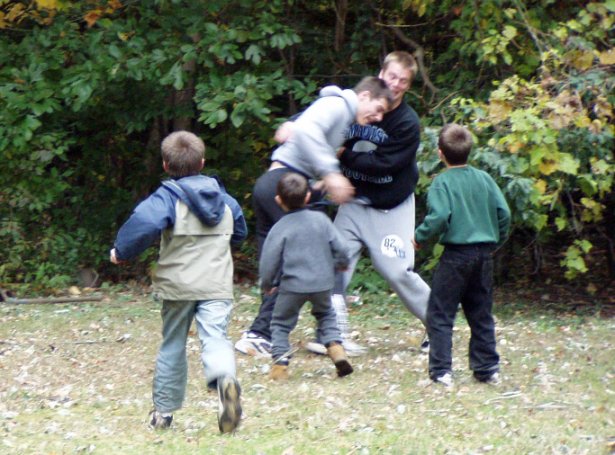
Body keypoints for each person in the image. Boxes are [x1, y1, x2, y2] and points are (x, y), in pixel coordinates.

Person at [235, 76, 394, 357]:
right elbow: (308, 130)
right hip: (283, 183)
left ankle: (263, 335)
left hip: (274, 185)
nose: (378, 117)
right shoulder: (338, 105)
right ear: (366, 95)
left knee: (278, 262)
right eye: (378, 109)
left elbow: (304, 129)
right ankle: (271, 333)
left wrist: (320, 185)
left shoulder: (338, 110)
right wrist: (331, 173)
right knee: (308, 260)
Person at [109, 131, 248, 433]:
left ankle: (164, 414)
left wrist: (121, 252)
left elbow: (143, 224)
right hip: (217, 284)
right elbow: (239, 233)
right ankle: (225, 381)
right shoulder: (225, 200)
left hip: (178, 286)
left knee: (173, 344)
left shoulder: (168, 198)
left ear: (165, 165)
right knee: (216, 338)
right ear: (202, 162)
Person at [299, 51, 431, 356]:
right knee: (335, 261)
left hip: (391, 205)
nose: (395, 84)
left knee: (398, 271)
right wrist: (296, 125)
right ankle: (332, 334)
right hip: (355, 201)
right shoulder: (359, 101)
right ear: (381, 72)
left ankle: (438, 325)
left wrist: (342, 156)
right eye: (392, 76)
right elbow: (321, 118)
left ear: (409, 86)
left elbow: (385, 163)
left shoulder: (407, 123)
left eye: (403, 80)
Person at [412, 123, 511, 388]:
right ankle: (487, 369)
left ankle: (442, 371)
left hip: (456, 255)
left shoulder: (441, 183)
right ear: (470, 151)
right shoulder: (484, 179)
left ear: (440, 153)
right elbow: (505, 214)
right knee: (480, 312)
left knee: (441, 312)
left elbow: (440, 216)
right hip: (483, 254)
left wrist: (419, 238)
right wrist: (495, 239)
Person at [260, 172, 353, 380]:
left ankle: (280, 365)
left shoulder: (280, 227)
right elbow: (341, 247)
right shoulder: (321, 220)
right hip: (322, 283)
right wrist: (341, 264)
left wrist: (267, 284)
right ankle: (336, 349)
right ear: (308, 197)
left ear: (278, 200)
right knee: (326, 315)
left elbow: (269, 261)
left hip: (293, 285)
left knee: (280, 324)